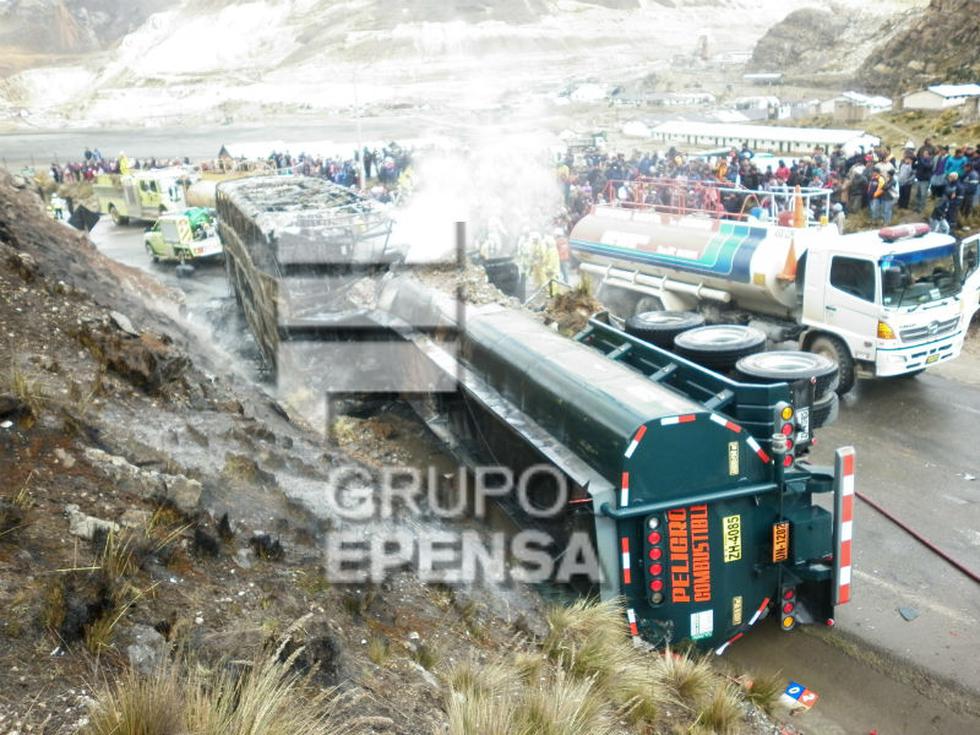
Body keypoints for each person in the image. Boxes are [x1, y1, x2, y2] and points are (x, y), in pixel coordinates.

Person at [913, 148, 933, 213]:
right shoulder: (921, 160)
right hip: (919, 179)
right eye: (924, 153)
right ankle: (917, 207)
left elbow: (927, 166)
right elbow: (914, 167)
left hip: (925, 181)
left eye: (925, 153)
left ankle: (921, 208)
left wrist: (920, 160)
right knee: (918, 194)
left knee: (923, 195)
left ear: (929, 155)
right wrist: (914, 160)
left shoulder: (930, 160)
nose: (924, 154)